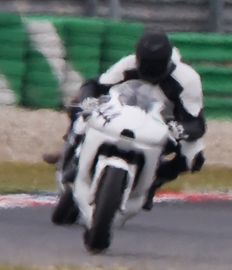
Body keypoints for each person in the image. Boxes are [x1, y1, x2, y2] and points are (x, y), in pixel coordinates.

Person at [50, 31, 205, 223]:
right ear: (138, 58)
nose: (149, 70)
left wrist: (179, 130)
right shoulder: (128, 64)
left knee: (194, 156)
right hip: (121, 115)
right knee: (79, 110)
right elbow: (95, 84)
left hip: (161, 128)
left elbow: (196, 123)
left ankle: (154, 182)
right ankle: (70, 150)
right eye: (145, 64)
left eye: (155, 66)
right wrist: (87, 100)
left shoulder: (187, 80)